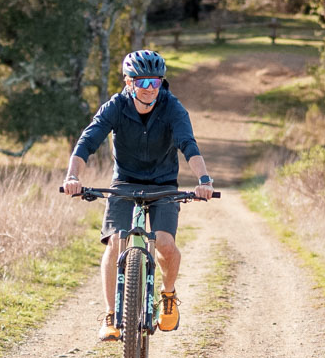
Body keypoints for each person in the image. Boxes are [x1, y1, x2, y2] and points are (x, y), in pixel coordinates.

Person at [62, 49, 214, 341]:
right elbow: (87, 142)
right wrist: (73, 177)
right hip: (125, 183)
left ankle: (167, 295)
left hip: (163, 183)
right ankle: (111, 315)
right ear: (128, 82)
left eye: (155, 82)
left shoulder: (172, 108)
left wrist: (204, 180)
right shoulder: (115, 107)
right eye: (142, 82)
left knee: (165, 244)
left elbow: (188, 144)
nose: (149, 89)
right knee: (115, 243)